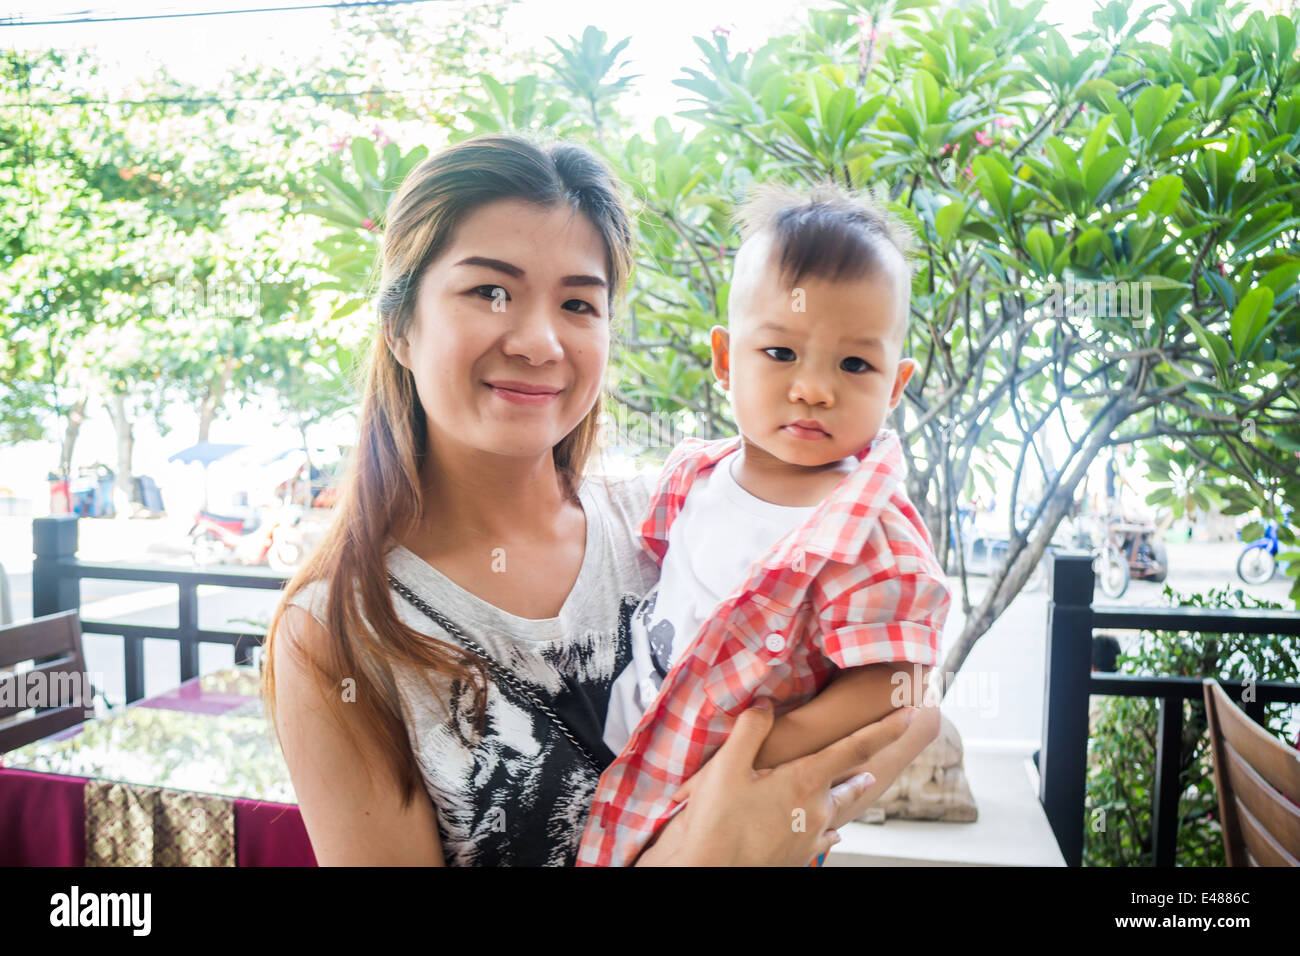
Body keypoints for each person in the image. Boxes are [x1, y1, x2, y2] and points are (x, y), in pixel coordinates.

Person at [262, 132, 930, 867]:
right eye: (490, 291)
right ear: (398, 324)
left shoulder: (673, 524)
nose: (540, 340)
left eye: (579, 302)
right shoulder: (340, 634)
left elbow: (879, 714)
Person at [583, 183, 948, 867]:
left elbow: (895, 683)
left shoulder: (866, 534)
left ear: (894, 387)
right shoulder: (690, 479)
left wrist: (762, 754)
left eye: (854, 364)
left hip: (739, 812)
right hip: (629, 789)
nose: (814, 387)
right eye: (780, 353)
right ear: (725, 359)